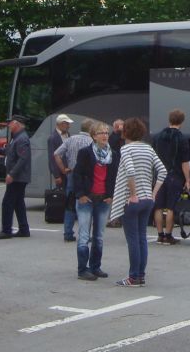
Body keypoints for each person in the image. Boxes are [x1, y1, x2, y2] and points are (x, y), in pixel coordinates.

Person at [109, 118, 166, 286]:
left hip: (133, 200)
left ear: (126, 132)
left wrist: (133, 194)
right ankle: (140, 275)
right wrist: (153, 193)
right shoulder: (148, 148)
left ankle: (133, 276)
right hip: (147, 199)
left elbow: (130, 171)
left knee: (133, 240)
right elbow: (162, 171)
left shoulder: (126, 149)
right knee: (142, 238)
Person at [73, 121, 119, 280]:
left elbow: (114, 177)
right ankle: (82, 269)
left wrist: (111, 195)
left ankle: (95, 266)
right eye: (101, 133)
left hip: (103, 199)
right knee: (84, 235)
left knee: (99, 236)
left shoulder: (113, 154)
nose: (105, 135)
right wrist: (80, 194)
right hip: (87, 199)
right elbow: (77, 174)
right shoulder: (85, 153)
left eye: (106, 133)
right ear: (94, 136)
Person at [152, 109, 190, 245]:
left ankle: (159, 234)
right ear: (182, 121)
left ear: (169, 119)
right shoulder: (182, 138)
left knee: (158, 206)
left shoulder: (157, 137)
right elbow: (185, 162)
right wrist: (188, 179)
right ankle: (168, 235)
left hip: (159, 175)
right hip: (174, 175)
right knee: (171, 207)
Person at [55, 117, 93, 242]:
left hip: (71, 173)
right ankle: (85, 234)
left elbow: (56, 154)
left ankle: (68, 233)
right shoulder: (92, 142)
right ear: (91, 129)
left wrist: (63, 169)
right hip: (87, 176)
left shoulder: (70, 139)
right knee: (86, 205)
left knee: (70, 204)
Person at [0, 114, 31, 239]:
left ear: (17, 124)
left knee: (7, 203)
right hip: (18, 176)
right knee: (18, 202)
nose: (9, 125)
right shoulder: (16, 137)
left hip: (18, 177)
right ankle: (24, 229)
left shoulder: (22, 138)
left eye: (11, 123)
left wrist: (12, 174)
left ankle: (6, 230)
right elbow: (10, 152)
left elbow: (23, 158)